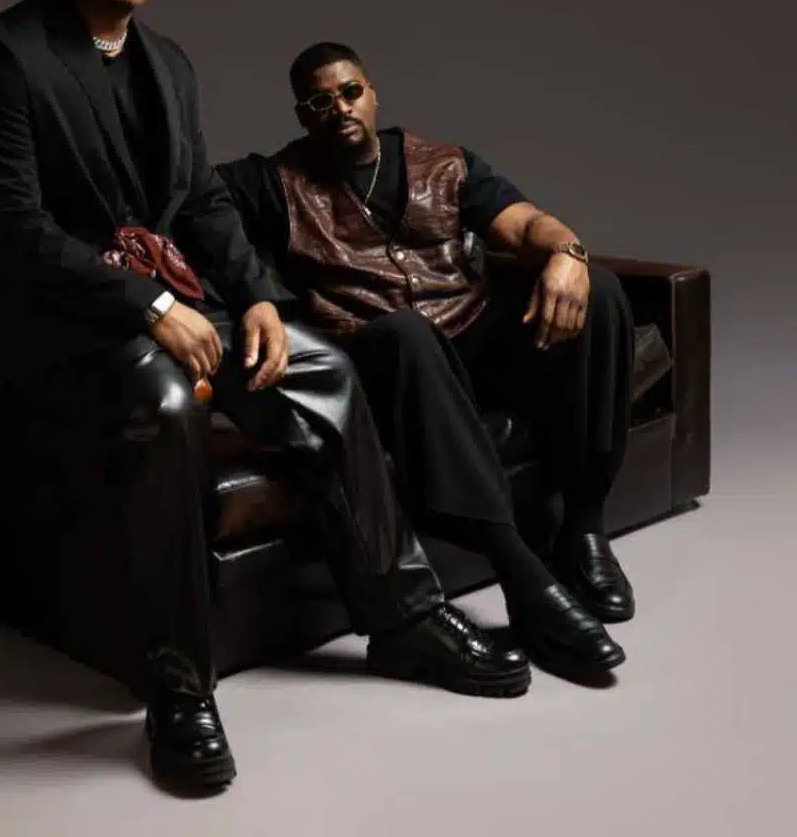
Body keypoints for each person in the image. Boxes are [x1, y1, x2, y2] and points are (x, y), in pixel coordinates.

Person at [0, 0, 533, 796]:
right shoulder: (1, 57)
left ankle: (404, 618)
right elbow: (10, 228)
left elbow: (200, 202)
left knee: (325, 368)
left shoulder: (168, 62)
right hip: (57, 316)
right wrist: (150, 307)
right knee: (161, 402)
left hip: (172, 299)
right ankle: (178, 683)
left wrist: (256, 297)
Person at [217, 41, 637, 682]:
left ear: (372, 93)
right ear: (303, 115)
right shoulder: (273, 183)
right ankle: (523, 579)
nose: (340, 109)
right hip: (382, 359)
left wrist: (568, 253)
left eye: (350, 92)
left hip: (467, 336)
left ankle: (584, 531)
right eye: (321, 102)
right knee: (406, 334)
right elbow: (191, 203)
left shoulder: (444, 164)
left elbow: (524, 225)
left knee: (601, 291)